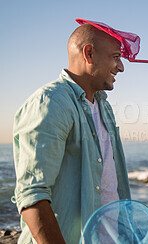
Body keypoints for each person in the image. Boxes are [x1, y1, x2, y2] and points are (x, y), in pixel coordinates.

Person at [12, 22, 132, 243]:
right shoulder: (50, 102)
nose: (121, 67)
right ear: (89, 53)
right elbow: (32, 195)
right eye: (115, 57)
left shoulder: (103, 106)